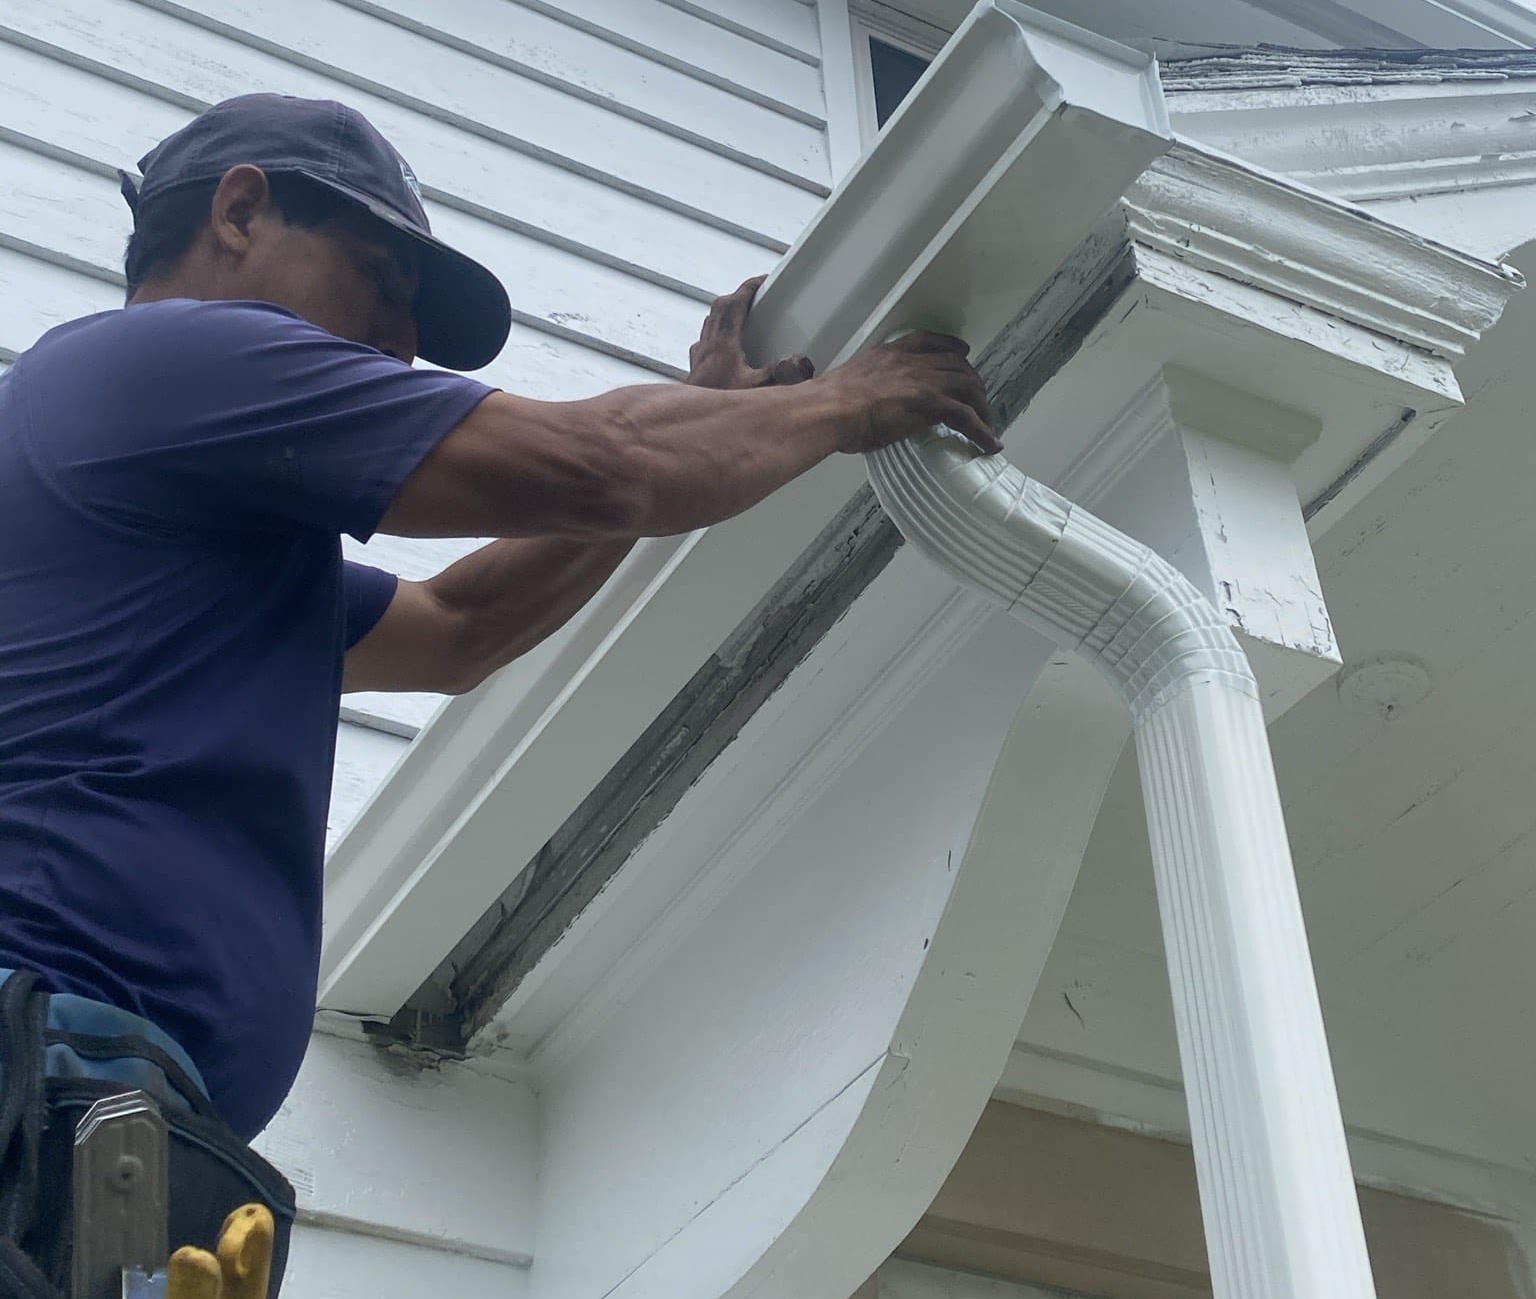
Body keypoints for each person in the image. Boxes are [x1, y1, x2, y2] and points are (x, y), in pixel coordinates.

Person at [0, 93, 998, 1144]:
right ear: (240, 210)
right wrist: (845, 401)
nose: (401, 342)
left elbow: (457, 624)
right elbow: (608, 466)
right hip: (45, 1063)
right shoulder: (168, 362)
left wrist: (717, 409)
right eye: (380, 280)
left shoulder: (191, 530)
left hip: (106, 1110)